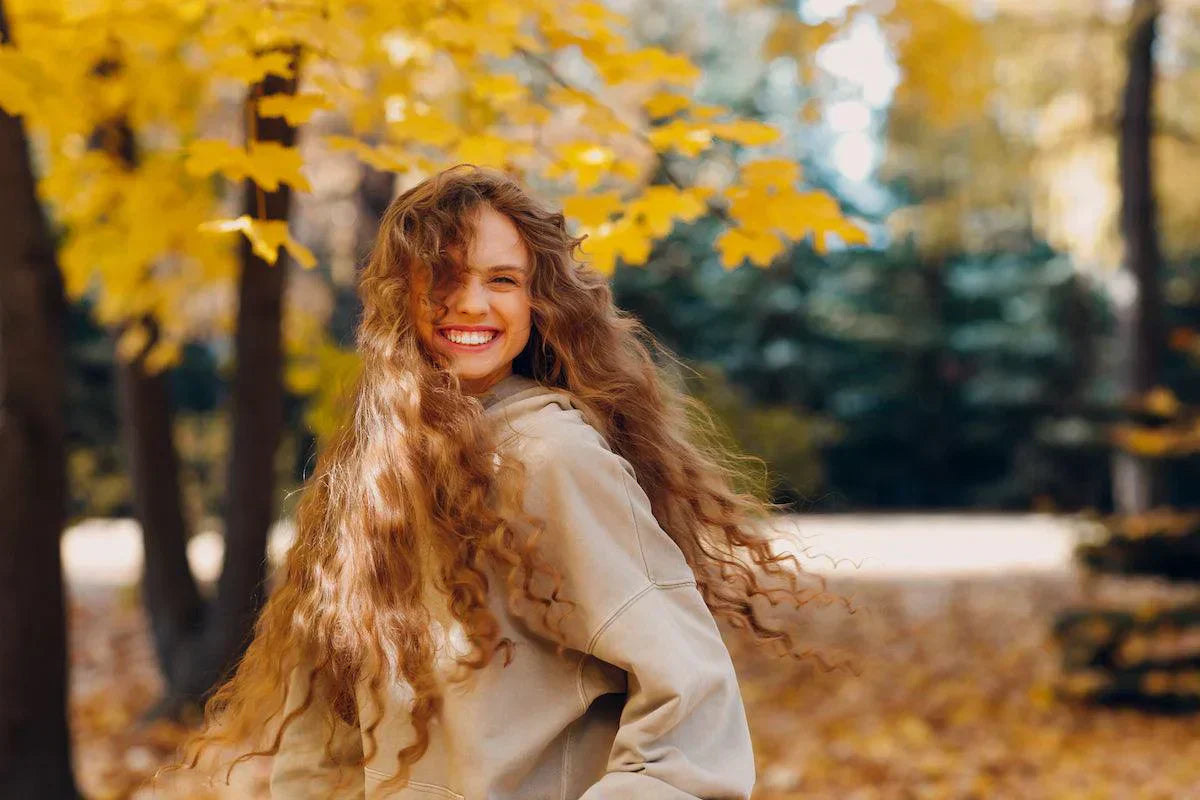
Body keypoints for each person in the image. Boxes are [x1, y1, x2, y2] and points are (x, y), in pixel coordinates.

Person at [174, 164, 827, 799]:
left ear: (538, 302)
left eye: (503, 279)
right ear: (403, 293)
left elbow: (694, 708)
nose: (473, 302)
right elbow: (325, 730)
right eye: (446, 277)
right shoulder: (372, 475)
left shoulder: (551, 456)